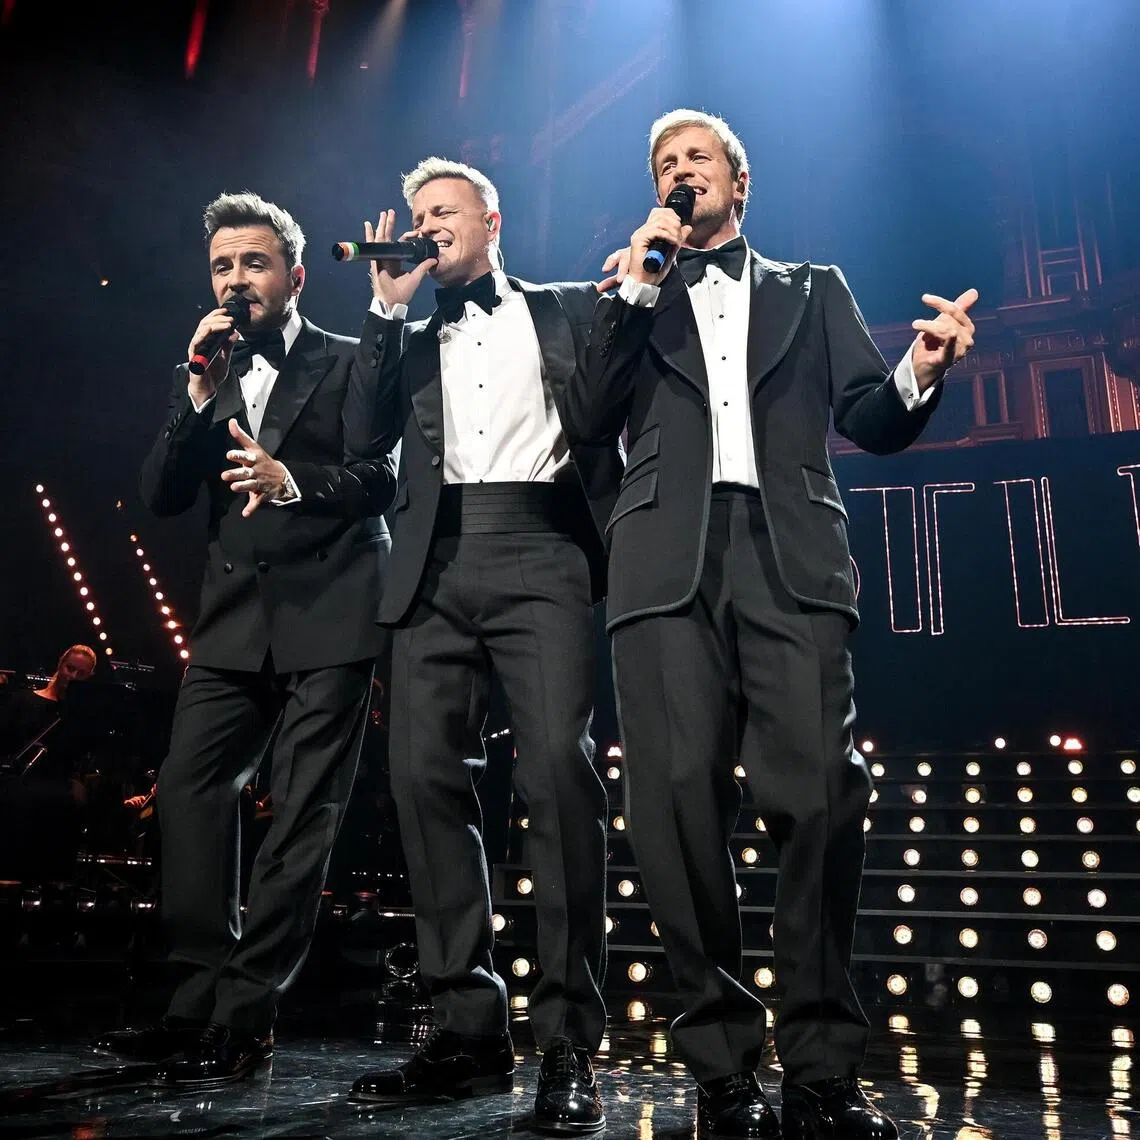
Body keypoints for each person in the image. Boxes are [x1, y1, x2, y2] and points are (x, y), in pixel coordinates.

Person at [564, 110, 977, 1140]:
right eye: (663, 163)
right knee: (673, 807)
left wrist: (922, 367)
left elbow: (870, 419)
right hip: (665, 567)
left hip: (790, 557)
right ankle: (720, 1069)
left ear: (739, 183)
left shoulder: (813, 288)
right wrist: (636, 290)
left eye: (695, 157)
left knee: (824, 799)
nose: (678, 171)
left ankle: (824, 1069)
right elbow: (583, 418)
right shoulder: (628, 290)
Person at [344, 158, 622, 1134]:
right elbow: (359, 434)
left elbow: (616, 404)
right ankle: (466, 1030)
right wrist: (384, 312)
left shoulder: (566, 308)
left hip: (543, 548)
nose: (426, 225)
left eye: (443, 211)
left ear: (490, 219)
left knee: (556, 775)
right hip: (432, 560)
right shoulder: (407, 340)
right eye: (415, 214)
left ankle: (571, 1045)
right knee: (421, 782)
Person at [95, 191, 396, 1086]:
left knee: (302, 815)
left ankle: (246, 1009)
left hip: (333, 611)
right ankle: (194, 1000)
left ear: (294, 277)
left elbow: (381, 477)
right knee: (189, 793)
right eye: (223, 265)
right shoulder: (212, 373)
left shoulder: (348, 362)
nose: (235, 280)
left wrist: (289, 477)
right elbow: (160, 496)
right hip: (231, 624)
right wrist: (193, 394)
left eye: (252, 263)